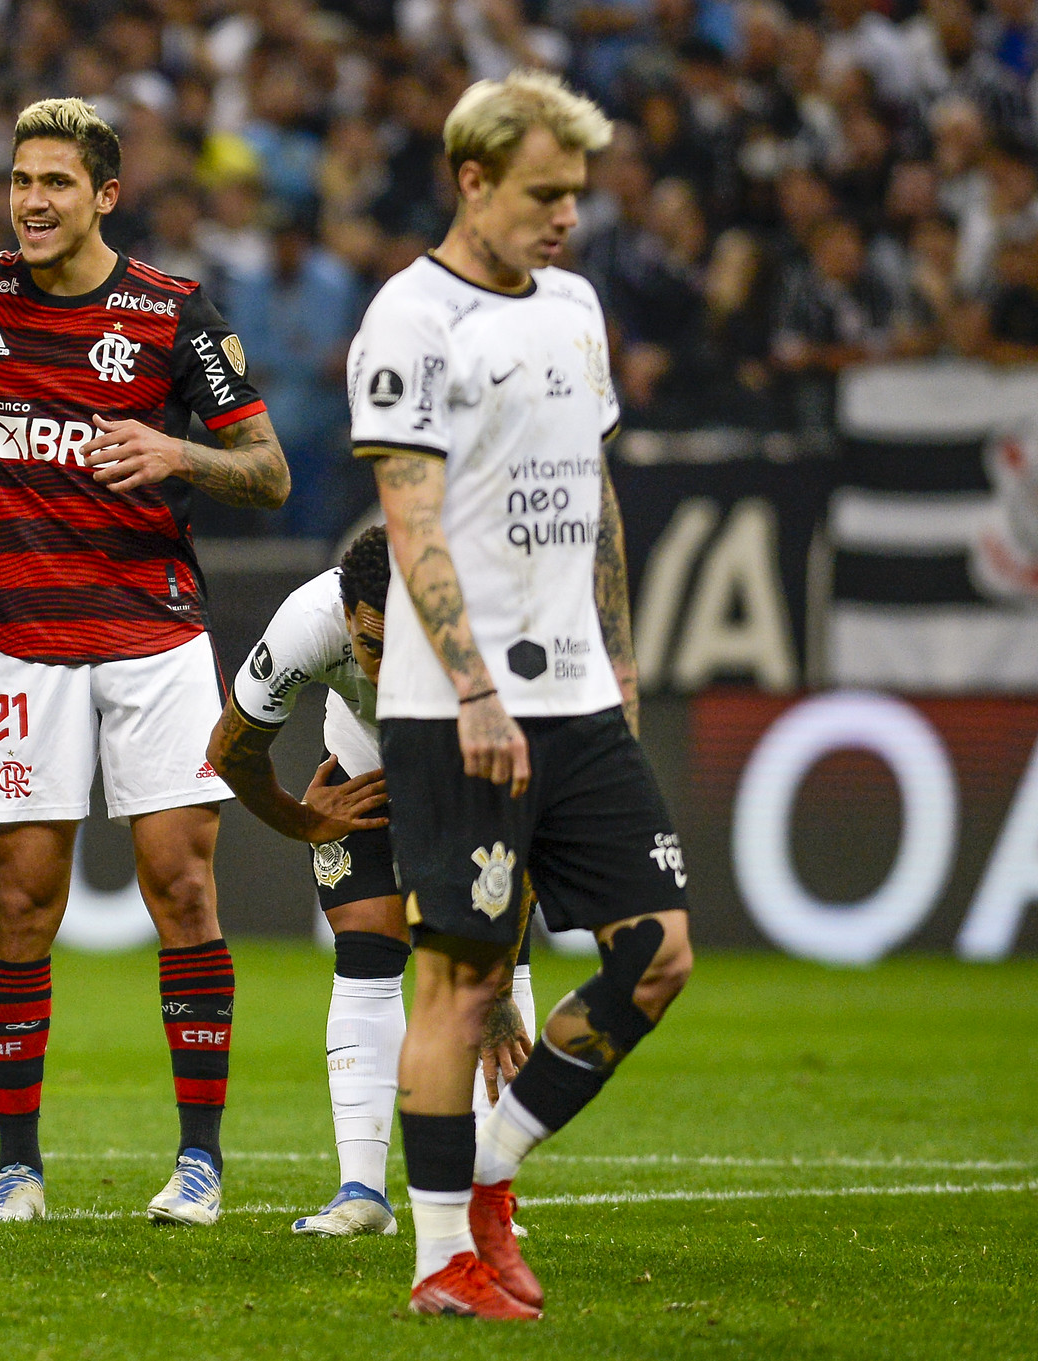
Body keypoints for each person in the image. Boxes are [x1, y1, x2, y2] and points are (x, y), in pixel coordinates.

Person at [0, 97, 292, 1227]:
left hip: (154, 637)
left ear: (104, 195)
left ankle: (197, 1161)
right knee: (21, 902)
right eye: (20, 180)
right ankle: (15, 1163)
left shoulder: (172, 314)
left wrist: (174, 448)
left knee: (180, 886)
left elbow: (269, 470)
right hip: (26, 648)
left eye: (56, 183)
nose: (32, 201)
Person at [352, 71, 693, 1319]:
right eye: (543, 193)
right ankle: (442, 1256)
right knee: (463, 978)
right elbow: (410, 519)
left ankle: (483, 1169)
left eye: (575, 195)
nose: (565, 217)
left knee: (655, 956)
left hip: (578, 699)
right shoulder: (409, 320)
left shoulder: (574, 305)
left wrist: (618, 651)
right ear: (473, 180)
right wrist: (472, 684)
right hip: (457, 709)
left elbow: (585, 490)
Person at [207, 526, 535, 1240]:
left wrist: (501, 989)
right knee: (365, 944)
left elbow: (522, 816)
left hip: (470, 776)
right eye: (370, 647)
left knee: (482, 970)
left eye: (405, 649)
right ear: (347, 615)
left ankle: (488, 1196)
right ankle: (362, 1192)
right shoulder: (308, 624)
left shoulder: (492, 637)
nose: (386, 670)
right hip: (368, 773)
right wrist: (302, 820)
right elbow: (229, 749)